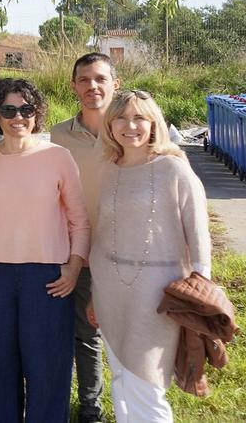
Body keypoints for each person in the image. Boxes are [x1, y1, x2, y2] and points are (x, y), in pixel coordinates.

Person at [0, 78, 91, 423]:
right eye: (9, 110)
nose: (18, 117)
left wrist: (73, 267)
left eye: (26, 109)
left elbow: (80, 220)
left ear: (37, 114)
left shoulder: (58, 157)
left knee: (48, 365)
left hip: (49, 276)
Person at [88, 90, 212, 422]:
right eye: (121, 118)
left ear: (153, 122)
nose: (131, 126)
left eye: (139, 117)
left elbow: (199, 233)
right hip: (110, 291)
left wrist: (201, 292)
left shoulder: (174, 168)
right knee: (120, 379)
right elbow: (101, 232)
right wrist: (93, 297)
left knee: (146, 382)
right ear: (110, 125)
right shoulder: (107, 169)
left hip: (158, 293)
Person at [50, 52, 120, 423]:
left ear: (114, 84)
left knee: (122, 335)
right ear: (74, 86)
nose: (92, 86)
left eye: (100, 79)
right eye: (84, 80)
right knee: (83, 332)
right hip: (75, 251)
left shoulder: (130, 129)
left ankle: (131, 401)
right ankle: (88, 407)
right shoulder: (59, 135)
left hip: (121, 252)